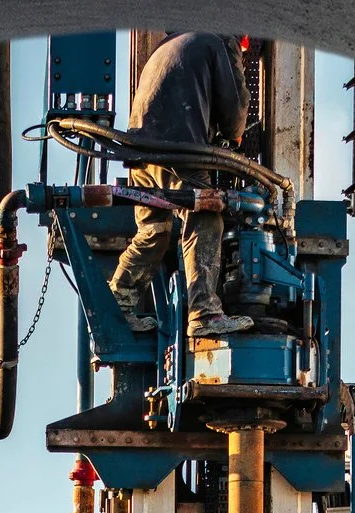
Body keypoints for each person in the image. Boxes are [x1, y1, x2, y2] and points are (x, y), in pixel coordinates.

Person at [108, 32, 251, 338]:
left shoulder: (169, 45)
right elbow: (235, 121)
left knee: (153, 231)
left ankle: (116, 306)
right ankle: (205, 314)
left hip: (141, 155)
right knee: (206, 218)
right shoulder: (220, 43)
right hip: (181, 152)